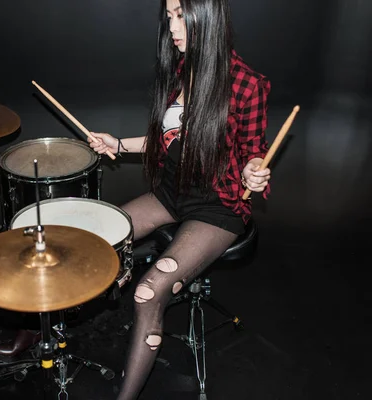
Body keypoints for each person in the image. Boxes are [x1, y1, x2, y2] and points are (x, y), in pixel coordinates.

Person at [88, 0, 271, 398]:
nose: (172, 26)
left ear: (206, 17)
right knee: (93, 236)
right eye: (169, 15)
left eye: (180, 15)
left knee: (148, 291)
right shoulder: (183, 66)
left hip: (217, 207)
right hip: (172, 192)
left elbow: (253, 149)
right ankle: (35, 335)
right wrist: (117, 144)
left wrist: (253, 170)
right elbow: (169, 137)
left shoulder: (246, 83)